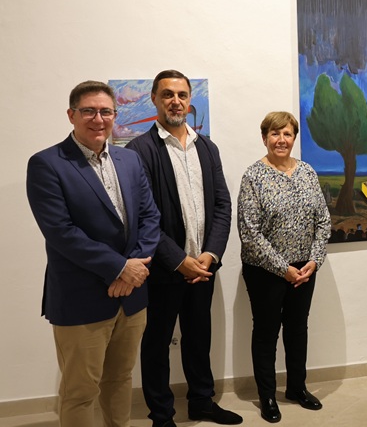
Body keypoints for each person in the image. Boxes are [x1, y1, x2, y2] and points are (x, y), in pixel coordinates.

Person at [26, 80, 161, 426]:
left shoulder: (129, 159)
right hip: (81, 298)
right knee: (80, 392)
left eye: (105, 111)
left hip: (132, 297)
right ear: (71, 115)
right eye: (88, 111)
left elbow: (150, 217)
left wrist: (133, 271)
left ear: (115, 115)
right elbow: (61, 232)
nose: (98, 119)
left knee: (120, 380)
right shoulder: (47, 164)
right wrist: (120, 268)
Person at [125, 70, 239, 426]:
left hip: (203, 269)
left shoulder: (207, 147)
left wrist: (210, 255)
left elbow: (222, 204)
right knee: (156, 343)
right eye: (167, 94)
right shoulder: (139, 150)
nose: (176, 101)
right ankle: (161, 414)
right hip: (163, 270)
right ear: (154, 100)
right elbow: (142, 217)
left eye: (182, 95)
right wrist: (179, 261)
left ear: (190, 101)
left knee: (199, 338)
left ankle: (202, 401)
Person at [238, 111, 331, 423]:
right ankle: (267, 396)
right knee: (266, 332)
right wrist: (284, 269)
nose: (281, 140)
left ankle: (297, 388)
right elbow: (250, 233)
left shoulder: (307, 172)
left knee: (297, 329)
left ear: (294, 138)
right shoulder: (253, 177)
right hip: (265, 271)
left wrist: (314, 260)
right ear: (264, 138)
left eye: (287, 134)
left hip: (304, 269)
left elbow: (323, 221)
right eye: (275, 134)